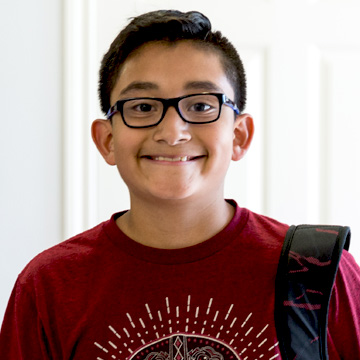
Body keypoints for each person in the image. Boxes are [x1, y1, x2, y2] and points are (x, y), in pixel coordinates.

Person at [0, 9, 359, 360]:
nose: (172, 132)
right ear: (107, 140)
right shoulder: (49, 285)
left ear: (239, 135)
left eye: (202, 105)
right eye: (142, 107)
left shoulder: (322, 273)